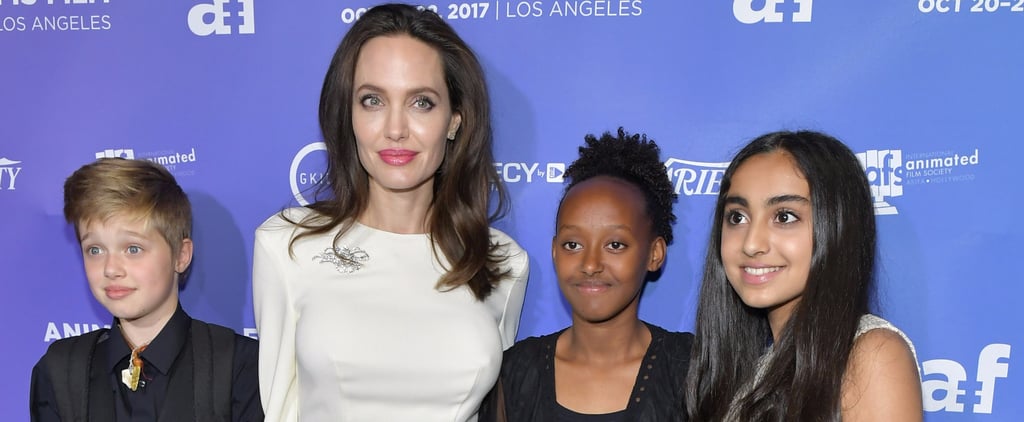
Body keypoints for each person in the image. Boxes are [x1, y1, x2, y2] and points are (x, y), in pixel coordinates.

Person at [251, 3, 529, 421]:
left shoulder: (501, 261)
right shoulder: (287, 246)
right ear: (348, 115)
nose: (395, 128)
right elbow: (278, 408)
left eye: (421, 102)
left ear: (455, 120)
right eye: (372, 100)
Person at [685, 131, 923, 421]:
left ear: (837, 226)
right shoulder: (747, 375)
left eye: (784, 216)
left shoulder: (871, 356)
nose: (751, 244)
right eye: (737, 217)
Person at [29, 157, 263, 421]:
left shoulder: (239, 367)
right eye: (95, 250)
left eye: (133, 249)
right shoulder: (60, 370)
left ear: (181, 255)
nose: (111, 268)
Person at [486, 128, 693, 421]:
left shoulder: (691, 368)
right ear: (555, 252)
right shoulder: (516, 371)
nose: (591, 263)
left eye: (615, 245)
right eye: (573, 244)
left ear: (654, 254)